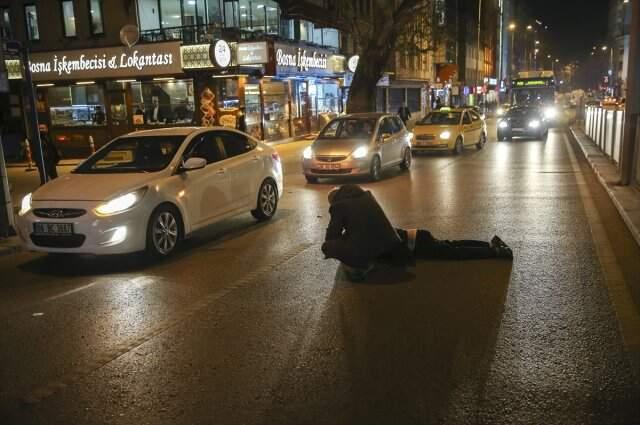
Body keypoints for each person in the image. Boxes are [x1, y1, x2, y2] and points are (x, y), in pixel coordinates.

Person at [323, 185, 513, 281]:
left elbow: (331, 238)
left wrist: (339, 246)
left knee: (453, 252)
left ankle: (494, 251)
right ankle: (489, 245)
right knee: (451, 245)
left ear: (335, 201)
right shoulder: (363, 198)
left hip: (415, 244)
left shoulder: (341, 209)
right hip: (416, 236)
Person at [321, 185, 408, 281]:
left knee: (327, 246)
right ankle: (375, 259)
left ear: (334, 200)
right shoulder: (367, 196)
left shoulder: (338, 205)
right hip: (390, 243)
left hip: (369, 247)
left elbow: (332, 235)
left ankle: (361, 266)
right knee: (357, 235)